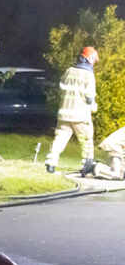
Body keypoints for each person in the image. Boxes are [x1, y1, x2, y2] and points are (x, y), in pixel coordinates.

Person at [45, 46, 99, 175]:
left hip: (64, 114)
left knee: (60, 139)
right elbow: (90, 98)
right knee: (86, 141)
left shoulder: (68, 71)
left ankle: (50, 164)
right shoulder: (88, 75)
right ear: (90, 60)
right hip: (80, 116)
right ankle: (87, 165)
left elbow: (62, 88)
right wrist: (93, 106)